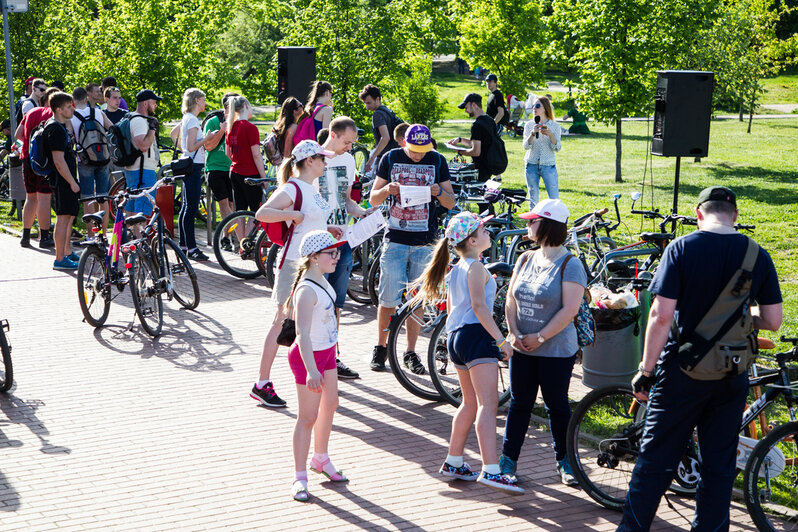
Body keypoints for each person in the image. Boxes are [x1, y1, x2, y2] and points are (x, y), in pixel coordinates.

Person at [617, 187, 783, 531]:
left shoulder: (682, 248)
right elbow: (772, 321)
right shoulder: (757, 254)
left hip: (682, 371)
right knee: (719, 467)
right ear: (734, 215)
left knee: (655, 460)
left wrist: (645, 371)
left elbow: (661, 316)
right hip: (731, 373)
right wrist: (738, 317)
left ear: (698, 213)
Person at [412, 211, 524, 495]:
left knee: (470, 403)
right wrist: (501, 341)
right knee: (488, 405)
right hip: (476, 337)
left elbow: (452, 310)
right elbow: (479, 307)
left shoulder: (458, 268)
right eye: (484, 230)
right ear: (472, 240)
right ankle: (491, 469)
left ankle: (454, 461)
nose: (488, 233)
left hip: (457, 338)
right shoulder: (475, 268)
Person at [500, 198, 586, 486]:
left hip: (556, 350)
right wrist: (513, 333)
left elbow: (569, 310)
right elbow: (510, 298)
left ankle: (566, 461)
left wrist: (540, 337)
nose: (527, 224)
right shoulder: (525, 258)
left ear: (547, 225)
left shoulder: (570, 264)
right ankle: (507, 460)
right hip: (523, 346)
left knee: (556, 406)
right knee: (519, 404)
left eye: (532, 220)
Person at [252, 140, 337, 408]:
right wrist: (296, 215)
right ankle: (261, 383)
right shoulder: (293, 187)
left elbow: (311, 221)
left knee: (298, 323)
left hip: (311, 265)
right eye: (322, 158)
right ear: (309, 160)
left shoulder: (311, 188)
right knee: (281, 322)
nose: (326, 162)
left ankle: (306, 375)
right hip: (292, 263)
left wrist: (328, 228)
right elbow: (262, 213)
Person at [368, 124, 455, 372]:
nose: (418, 155)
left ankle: (410, 351)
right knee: (388, 298)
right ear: (403, 143)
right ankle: (381, 347)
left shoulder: (437, 160)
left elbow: (450, 202)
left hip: (424, 241)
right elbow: (373, 198)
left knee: (418, 300)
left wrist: (439, 192)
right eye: (414, 150)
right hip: (395, 238)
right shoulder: (391, 158)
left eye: (422, 151)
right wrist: (387, 190)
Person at [287, 230, 349, 502]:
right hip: (308, 357)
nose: (337, 257)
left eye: (336, 252)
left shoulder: (324, 281)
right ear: (314, 257)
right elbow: (302, 334)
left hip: (325, 354)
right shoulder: (306, 290)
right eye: (331, 253)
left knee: (331, 404)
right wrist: (312, 370)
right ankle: (299, 477)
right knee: (307, 417)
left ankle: (321, 458)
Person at [319, 116, 371, 380]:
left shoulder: (348, 161)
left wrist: (363, 213)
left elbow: (346, 200)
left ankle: (332, 357)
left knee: (337, 302)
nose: (351, 148)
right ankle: (310, 354)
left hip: (342, 239)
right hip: (317, 242)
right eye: (348, 142)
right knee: (315, 299)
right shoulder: (314, 157)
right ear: (334, 135)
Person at [16, 87, 59, 249]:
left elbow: (18, 135)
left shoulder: (31, 112)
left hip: (27, 157)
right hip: (44, 160)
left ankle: (25, 236)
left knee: (31, 197)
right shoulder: (52, 114)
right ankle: (45, 236)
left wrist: (28, 144)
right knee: (44, 198)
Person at [69, 86, 114, 234]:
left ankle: (91, 235)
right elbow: (111, 128)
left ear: (73, 101)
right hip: (103, 158)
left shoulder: (72, 116)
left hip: (84, 161)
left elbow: (70, 138)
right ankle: (103, 234)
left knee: (87, 197)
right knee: (103, 197)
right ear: (86, 99)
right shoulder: (98, 112)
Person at [179, 88, 217, 261]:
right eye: (203, 99)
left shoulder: (187, 118)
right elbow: (192, 145)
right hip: (193, 166)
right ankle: (192, 248)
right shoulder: (192, 120)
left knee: (187, 206)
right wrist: (207, 138)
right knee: (191, 207)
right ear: (196, 100)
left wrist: (186, 151)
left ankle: (184, 245)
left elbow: (177, 137)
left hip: (190, 165)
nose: (205, 102)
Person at [46, 92, 82, 270]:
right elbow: (59, 161)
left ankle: (67, 252)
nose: (72, 109)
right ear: (58, 109)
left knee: (68, 218)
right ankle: (59, 258)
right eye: (69, 106)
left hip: (65, 180)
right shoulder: (55, 130)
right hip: (62, 181)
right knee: (62, 219)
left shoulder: (58, 126)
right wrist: (72, 182)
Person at [225, 95, 268, 214]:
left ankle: (241, 234)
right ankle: (251, 233)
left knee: (239, 211)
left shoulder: (230, 127)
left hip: (234, 172)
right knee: (255, 211)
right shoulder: (251, 128)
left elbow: (228, 154)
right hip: (251, 174)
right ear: (246, 106)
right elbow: (256, 155)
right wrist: (263, 178)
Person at [203, 92, 238, 226]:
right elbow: (208, 146)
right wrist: (222, 131)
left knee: (231, 203)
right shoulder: (213, 122)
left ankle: (226, 237)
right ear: (227, 106)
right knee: (223, 203)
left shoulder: (238, 122)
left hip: (233, 168)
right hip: (215, 167)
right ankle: (235, 232)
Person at [124, 90, 161, 218]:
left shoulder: (132, 117)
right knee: (141, 210)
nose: (155, 105)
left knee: (132, 206)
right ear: (145, 103)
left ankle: (132, 236)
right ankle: (139, 237)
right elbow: (143, 145)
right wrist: (152, 129)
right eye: (154, 102)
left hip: (135, 169)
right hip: (142, 171)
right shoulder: (139, 121)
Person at [522, 96, 561, 207]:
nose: (534, 108)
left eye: (537, 106)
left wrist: (551, 135)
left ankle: (556, 222)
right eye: (533, 106)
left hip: (548, 166)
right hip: (531, 165)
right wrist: (532, 134)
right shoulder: (529, 125)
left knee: (554, 199)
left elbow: (557, 148)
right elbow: (526, 146)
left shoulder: (554, 126)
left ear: (545, 108)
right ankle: (533, 223)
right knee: (533, 199)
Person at [449, 93, 496, 182]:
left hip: (479, 168)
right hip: (489, 166)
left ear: (473, 105)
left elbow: (476, 151)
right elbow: (478, 143)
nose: (465, 111)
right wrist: (460, 140)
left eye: (466, 107)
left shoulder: (476, 125)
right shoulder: (490, 121)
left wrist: (459, 151)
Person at [358, 84, 401, 175]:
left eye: (369, 103)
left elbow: (385, 137)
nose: (366, 106)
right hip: (396, 155)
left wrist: (371, 158)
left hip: (385, 157)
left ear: (377, 99)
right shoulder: (387, 111)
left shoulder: (377, 114)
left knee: (375, 186)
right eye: (365, 103)